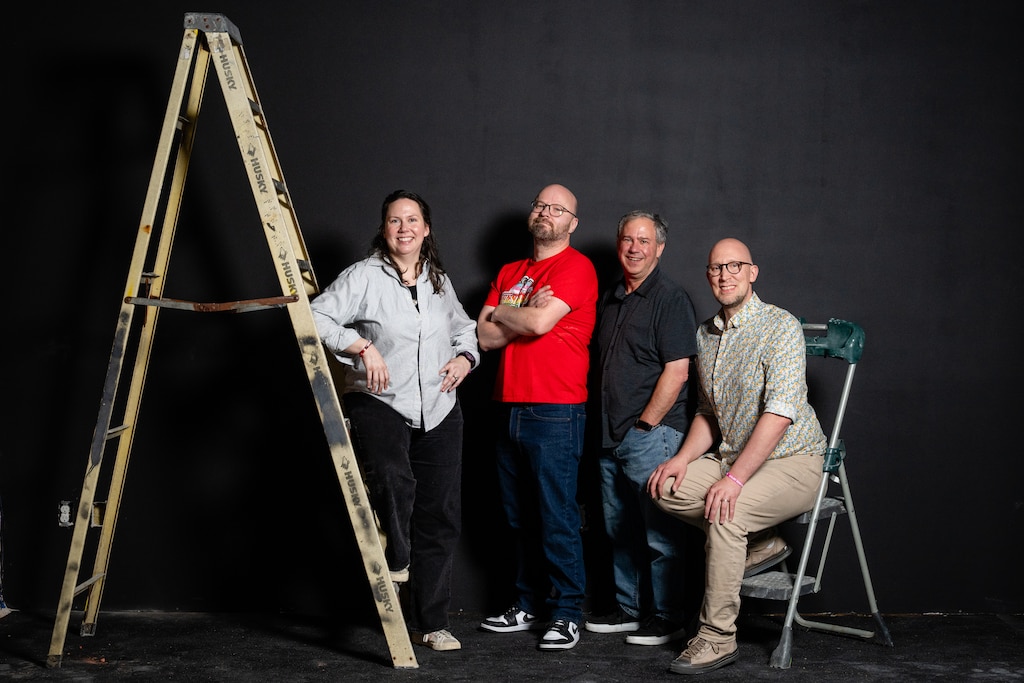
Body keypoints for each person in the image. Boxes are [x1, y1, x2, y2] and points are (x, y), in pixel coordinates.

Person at [647, 237, 826, 675]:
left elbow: (781, 413)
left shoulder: (779, 325)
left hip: (794, 460)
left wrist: (735, 480)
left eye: (734, 266)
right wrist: (683, 459)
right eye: (715, 269)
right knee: (663, 486)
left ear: (752, 272)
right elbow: (709, 413)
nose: (724, 275)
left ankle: (716, 637)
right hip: (732, 456)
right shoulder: (705, 335)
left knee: (727, 513)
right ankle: (763, 543)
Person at [310, 189, 479, 652]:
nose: (404, 228)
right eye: (394, 220)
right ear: (384, 229)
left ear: (426, 229)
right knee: (392, 476)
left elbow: (465, 329)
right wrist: (361, 347)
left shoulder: (438, 281)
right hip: (380, 399)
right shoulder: (364, 276)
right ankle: (398, 556)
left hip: (440, 407)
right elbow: (315, 315)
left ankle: (432, 623)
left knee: (440, 515)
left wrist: (466, 357)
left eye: (412, 220)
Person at [476, 183, 598, 651]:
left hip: (556, 410)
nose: (546, 212)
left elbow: (540, 324)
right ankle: (526, 603)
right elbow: (484, 337)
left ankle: (567, 612)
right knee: (516, 515)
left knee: (556, 514)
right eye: (541, 205)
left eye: (558, 208)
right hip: (508, 405)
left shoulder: (577, 267)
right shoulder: (511, 270)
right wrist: (524, 308)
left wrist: (509, 312)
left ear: (572, 222)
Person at [586, 210, 697, 646]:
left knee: (660, 535)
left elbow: (678, 370)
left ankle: (667, 615)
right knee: (619, 531)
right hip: (609, 435)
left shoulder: (671, 298)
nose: (635, 248)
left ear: (660, 248)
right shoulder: (612, 296)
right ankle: (629, 610)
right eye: (628, 239)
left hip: (652, 435)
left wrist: (646, 426)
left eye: (644, 240)